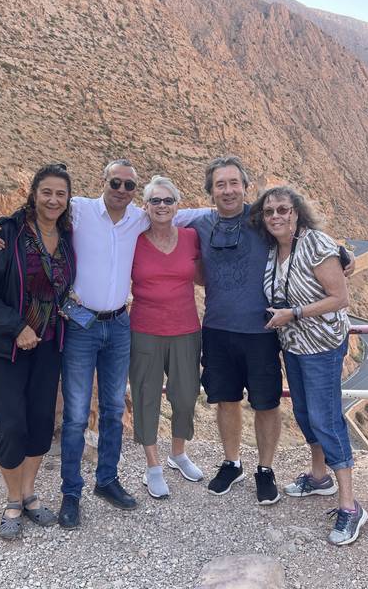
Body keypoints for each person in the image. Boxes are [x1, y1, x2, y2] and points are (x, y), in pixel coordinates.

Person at [0, 159, 159, 529]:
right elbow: (29, 216)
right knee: (76, 415)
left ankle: (107, 480)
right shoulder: (78, 209)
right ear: (103, 181)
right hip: (80, 325)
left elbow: (176, 212)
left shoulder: (139, 218)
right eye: (116, 182)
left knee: (112, 408)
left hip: (118, 324)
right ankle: (71, 493)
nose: (121, 190)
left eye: (130, 186)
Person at [250, 186, 367, 545]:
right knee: (303, 412)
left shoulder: (315, 244)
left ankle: (350, 505)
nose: (276, 216)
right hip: (294, 346)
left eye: (283, 209)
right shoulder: (274, 250)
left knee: (326, 418)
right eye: (269, 211)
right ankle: (319, 477)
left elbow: (339, 297)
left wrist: (294, 313)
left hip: (322, 346)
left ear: (296, 212)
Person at [0, 163, 76, 539]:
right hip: (6, 346)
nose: (53, 199)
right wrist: (17, 327)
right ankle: (12, 499)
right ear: (33, 193)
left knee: (41, 423)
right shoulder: (7, 233)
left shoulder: (66, 237)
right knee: (12, 425)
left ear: (68, 199)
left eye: (60, 194)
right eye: (46, 192)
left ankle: (30, 494)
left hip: (48, 344)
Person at [174, 157, 283, 505]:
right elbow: (154, 215)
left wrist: (341, 253)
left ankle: (265, 470)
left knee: (266, 404)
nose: (228, 190)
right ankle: (232, 462)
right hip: (218, 328)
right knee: (226, 401)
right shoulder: (200, 222)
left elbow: (299, 228)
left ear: (245, 186)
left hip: (261, 330)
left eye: (234, 183)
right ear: (210, 191)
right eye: (220, 184)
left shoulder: (261, 218)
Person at [129, 176, 203, 499]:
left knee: (185, 396)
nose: (161, 206)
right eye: (155, 201)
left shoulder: (191, 237)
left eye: (167, 200)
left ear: (177, 205)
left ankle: (178, 453)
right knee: (146, 397)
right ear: (145, 206)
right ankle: (153, 466)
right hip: (145, 328)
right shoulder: (134, 239)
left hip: (186, 327)